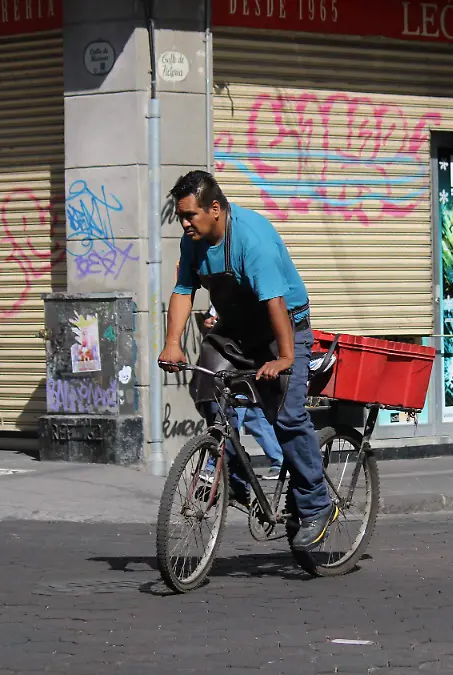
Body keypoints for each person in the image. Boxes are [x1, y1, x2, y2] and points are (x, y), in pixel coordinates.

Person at [158, 170, 335, 552]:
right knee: (207, 388)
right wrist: (173, 344)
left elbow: (276, 303)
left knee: (287, 417)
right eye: (181, 216)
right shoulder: (194, 240)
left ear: (215, 209)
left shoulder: (252, 240)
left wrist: (285, 358)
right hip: (237, 328)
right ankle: (235, 478)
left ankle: (316, 505)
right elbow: (184, 289)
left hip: (283, 329)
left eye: (190, 215)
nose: (185, 223)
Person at [202, 304, 285, 481]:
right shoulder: (220, 295)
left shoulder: (256, 296)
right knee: (255, 419)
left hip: (244, 359)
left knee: (229, 417)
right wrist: (210, 322)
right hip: (230, 358)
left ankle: (213, 467)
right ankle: (279, 460)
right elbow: (213, 317)